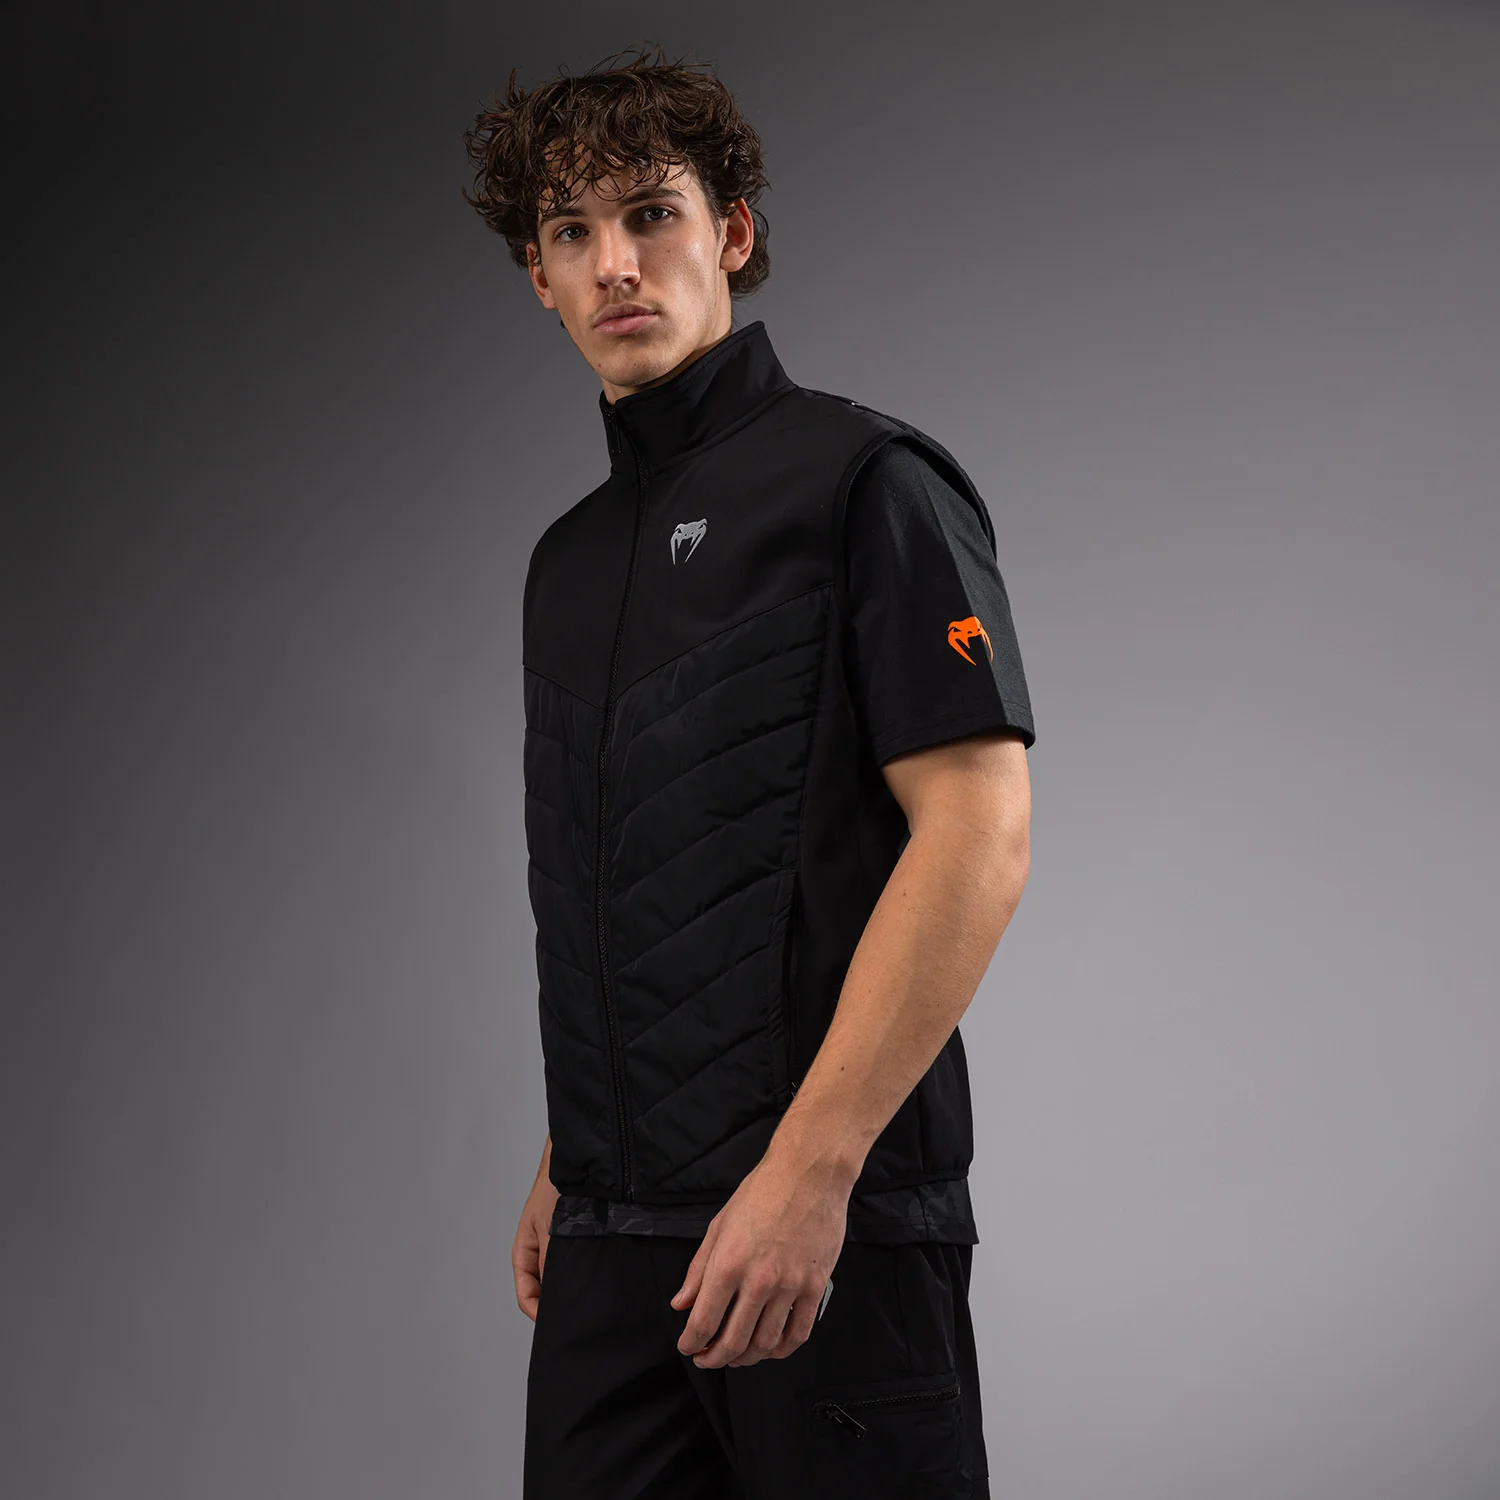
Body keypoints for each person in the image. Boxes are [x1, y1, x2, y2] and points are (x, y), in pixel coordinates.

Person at [463, 41, 1035, 1500]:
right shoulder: (566, 563)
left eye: (651, 213)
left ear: (731, 232)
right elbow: (653, 877)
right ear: (538, 275)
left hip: (829, 1231)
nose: (614, 264)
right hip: (615, 1244)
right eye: (571, 232)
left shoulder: (866, 483)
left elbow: (978, 834)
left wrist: (812, 1172)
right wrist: (574, 1151)